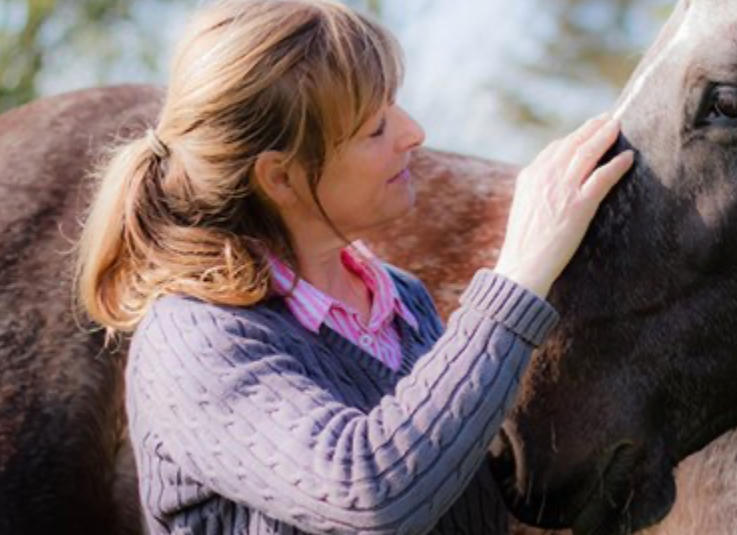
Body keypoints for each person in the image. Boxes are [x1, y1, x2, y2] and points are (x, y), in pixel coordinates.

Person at [75, 0, 633, 534]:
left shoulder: (401, 301)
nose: (414, 133)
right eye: (376, 129)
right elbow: (371, 494)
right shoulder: (196, 342)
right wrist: (518, 277)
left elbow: (449, 466)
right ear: (282, 177)